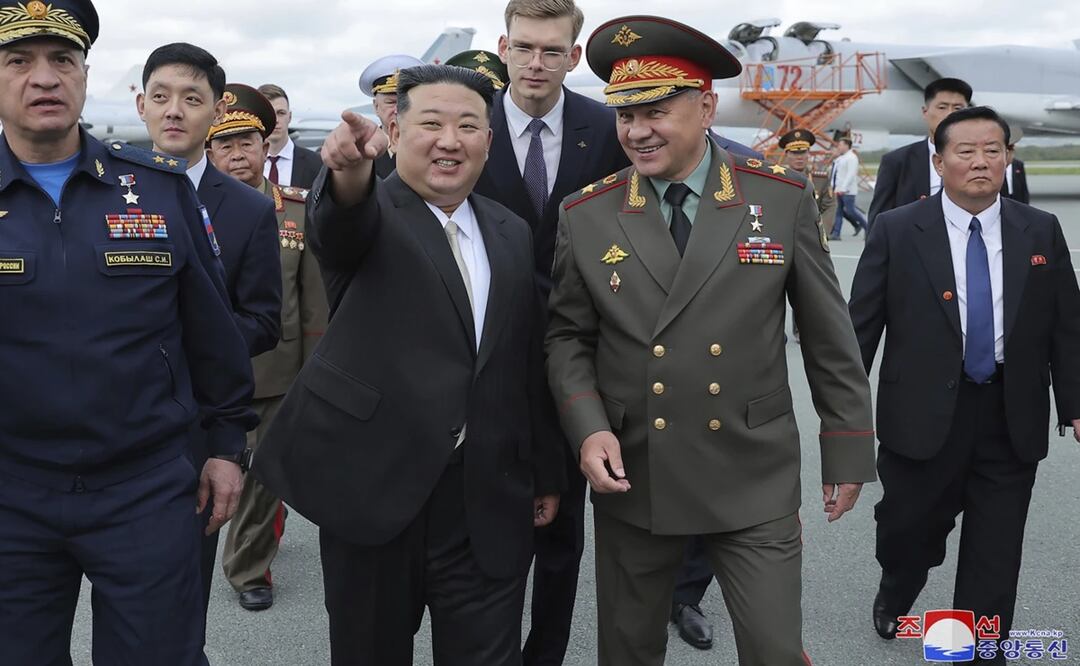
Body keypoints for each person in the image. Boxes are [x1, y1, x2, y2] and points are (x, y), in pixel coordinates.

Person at [545, 16, 876, 666]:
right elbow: (567, 337)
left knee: (775, 650)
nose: (637, 131)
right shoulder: (588, 214)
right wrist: (587, 427)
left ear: (705, 107)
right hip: (635, 472)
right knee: (627, 651)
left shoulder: (777, 197)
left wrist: (846, 446)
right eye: (625, 116)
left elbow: (828, 336)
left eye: (656, 112)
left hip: (751, 471)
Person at [252, 65, 565, 666]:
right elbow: (340, 224)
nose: (450, 141)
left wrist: (545, 469)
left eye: (468, 126)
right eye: (431, 124)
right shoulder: (372, 211)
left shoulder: (511, 230)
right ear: (394, 133)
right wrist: (347, 173)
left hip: (483, 499)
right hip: (375, 492)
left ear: (488, 141)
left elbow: (523, 360)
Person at [0, 2, 257, 664]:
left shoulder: (158, 190)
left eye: (63, 60)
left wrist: (226, 447)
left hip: (144, 488)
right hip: (11, 491)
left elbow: (213, 336)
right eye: (19, 61)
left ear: (85, 75)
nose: (44, 78)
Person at [849, 106, 1080, 659]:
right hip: (920, 412)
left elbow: (1066, 323)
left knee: (995, 550)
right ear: (939, 162)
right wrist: (843, 416)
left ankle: (978, 648)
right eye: (966, 151)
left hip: (1010, 410)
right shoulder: (898, 228)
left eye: (992, 150)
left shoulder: (1039, 228)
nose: (980, 161)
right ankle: (898, 584)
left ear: (1008, 158)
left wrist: (1074, 402)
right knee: (908, 532)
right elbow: (861, 327)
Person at [465, 3, 628, 663]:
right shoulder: (468, 120)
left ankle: (547, 652)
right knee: (487, 523)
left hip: (578, 352)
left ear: (574, 56)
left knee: (563, 531)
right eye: (525, 47)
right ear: (503, 47)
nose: (536, 63)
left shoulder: (606, 128)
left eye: (552, 50)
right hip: (485, 351)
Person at [138, 43, 282, 622]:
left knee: (177, 605)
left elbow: (264, 320)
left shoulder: (249, 210)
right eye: (161, 96)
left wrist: (179, 347)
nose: (174, 110)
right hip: (113, 424)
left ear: (216, 111)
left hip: (195, 428)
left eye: (191, 98)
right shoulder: (102, 188)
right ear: (142, 105)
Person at [205, 83, 329, 612]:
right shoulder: (188, 207)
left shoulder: (295, 211)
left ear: (266, 147)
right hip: (208, 376)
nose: (238, 155)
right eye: (226, 144)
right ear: (210, 152)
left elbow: (313, 301)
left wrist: (313, 372)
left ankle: (249, 567)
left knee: (265, 475)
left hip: (278, 371)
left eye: (247, 143)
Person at [669, 127, 764, 653]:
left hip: (719, 371)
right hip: (640, 369)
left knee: (711, 491)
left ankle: (686, 596)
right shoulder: (623, 158)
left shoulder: (748, 169)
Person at [867, 77, 972, 229]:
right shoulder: (897, 162)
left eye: (958, 108)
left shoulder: (983, 161)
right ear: (925, 112)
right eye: (942, 107)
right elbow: (878, 222)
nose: (950, 114)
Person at [359, 54, 424, 179]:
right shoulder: (361, 150)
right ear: (376, 107)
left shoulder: (434, 146)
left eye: (405, 102)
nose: (398, 109)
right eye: (391, 102)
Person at [258, 83, 322, 189]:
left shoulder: (316, 163)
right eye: (269, 113)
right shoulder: (247, 164)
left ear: (290, 117)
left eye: (281, 113)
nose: (275, 120)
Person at [830, 137, 867, 239]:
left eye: (840, 145)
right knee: (838, 212)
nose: (838, 147)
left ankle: (867, 227)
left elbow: (850, 174)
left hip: (847, 191)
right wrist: (834, 187)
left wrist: (843, 188)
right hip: (838, 189)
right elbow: (836, 173)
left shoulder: (852, 158)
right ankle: (836, 234)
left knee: (851, 211)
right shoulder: (841, 158)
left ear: (847, 145)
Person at [1002, 125, 1030, 204]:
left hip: (1016, 198)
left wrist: (1026, 205)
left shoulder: (1018, 164)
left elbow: (1024, 187)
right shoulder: (997, 165)